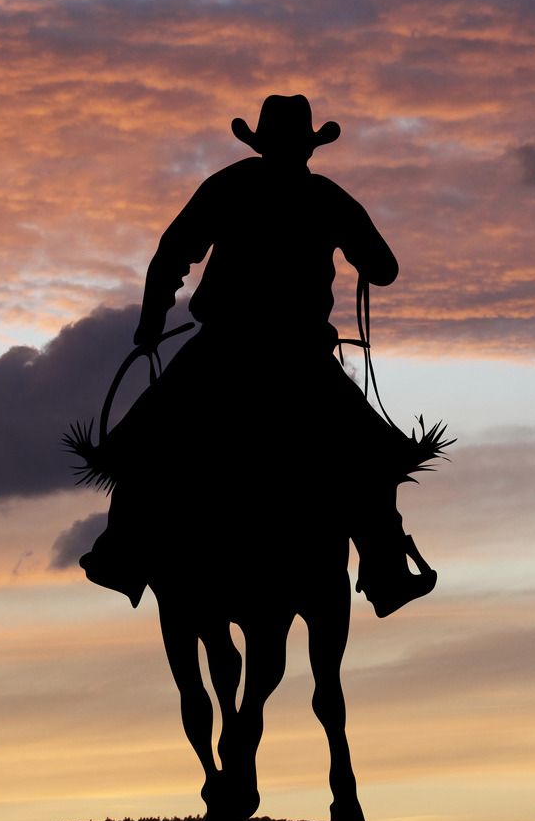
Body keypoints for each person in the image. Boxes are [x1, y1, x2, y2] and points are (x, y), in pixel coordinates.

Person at [79, 94, 436, 616]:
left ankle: (123, 553)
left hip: (224, 351)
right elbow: (384, 269)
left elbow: (171, 252)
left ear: (261, 143)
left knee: (144, 439)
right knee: (371, 456)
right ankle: (386, 571)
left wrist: (151, 322)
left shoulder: (230, 184)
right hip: (300, 359)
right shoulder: (328, 198)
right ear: (309, 147)